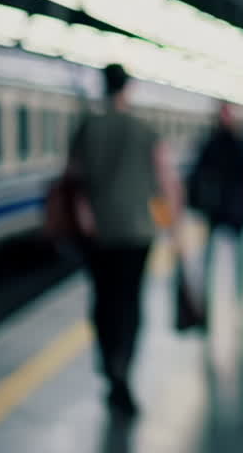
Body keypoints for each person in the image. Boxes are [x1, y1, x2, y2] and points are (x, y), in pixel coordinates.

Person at [66, 63, 182, 417]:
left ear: (103, 86)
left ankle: (107, 362)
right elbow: (166, 182)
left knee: (103, 298)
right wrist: (173, 226)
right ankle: (124, 368)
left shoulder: (87, 127)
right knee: (130, 301)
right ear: (128, 88)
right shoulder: (145, 130)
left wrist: (86, 217)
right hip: (138, 231)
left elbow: (73, 179)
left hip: (98, 231)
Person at [189, 102, 243, 308]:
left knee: (238, 254)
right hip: (218, 206)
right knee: (211, 254)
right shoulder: (213, 143)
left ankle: (240, 295)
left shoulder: (238, 143)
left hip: (233, 207)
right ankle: (206, 295)